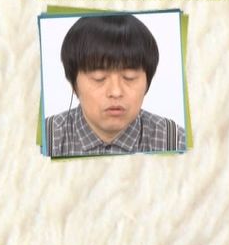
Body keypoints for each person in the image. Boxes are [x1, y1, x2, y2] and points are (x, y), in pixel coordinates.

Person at [44, 14, 187, 157]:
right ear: (74, 83)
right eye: (99, 78)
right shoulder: (46, 140)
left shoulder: (175, 141)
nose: (116, 92)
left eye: (129, 77)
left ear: (147, 82)